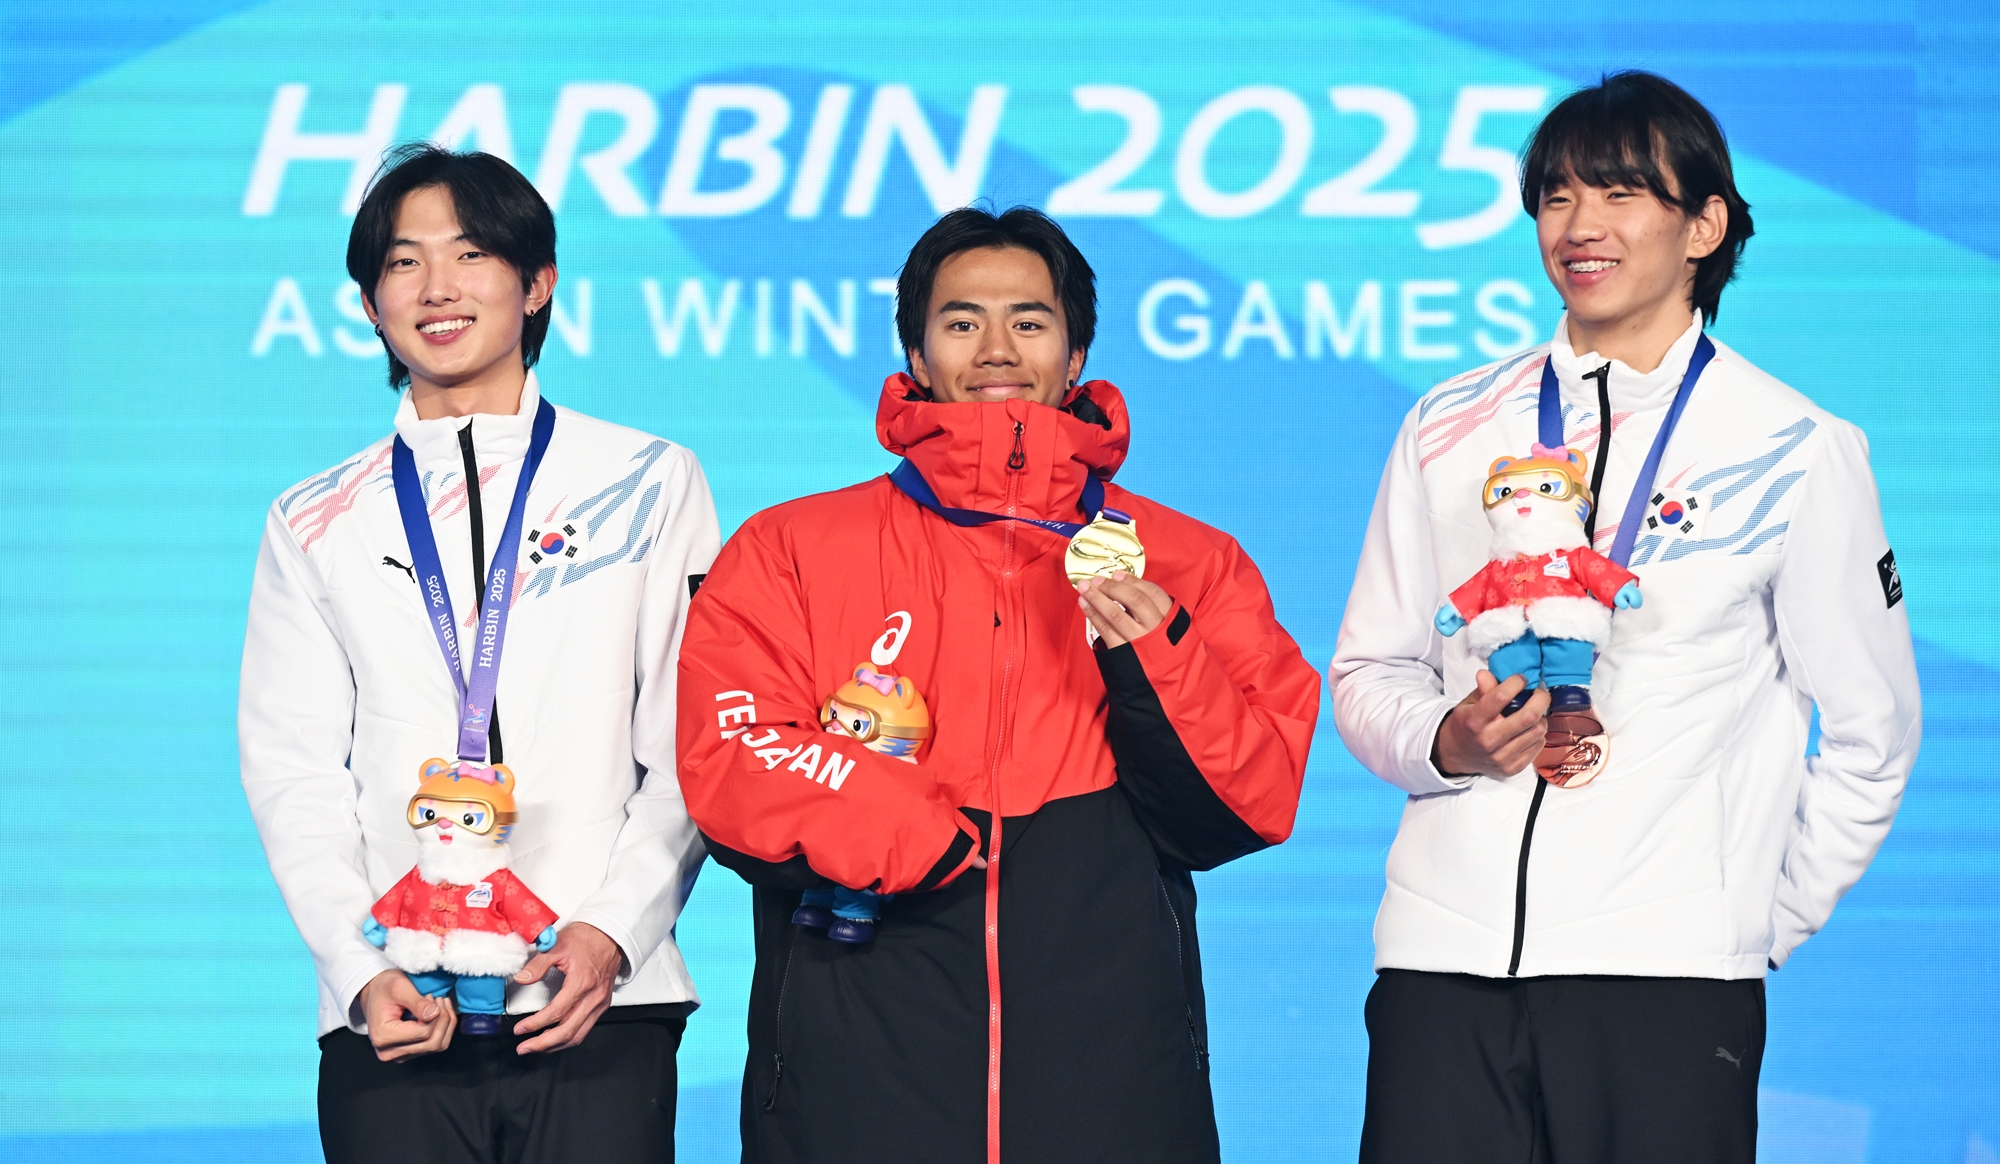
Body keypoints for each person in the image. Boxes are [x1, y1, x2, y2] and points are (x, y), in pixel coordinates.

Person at [1329, 71, 1920, 1161]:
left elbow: (1870, 730)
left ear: (1702, 226)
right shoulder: (1447, 423)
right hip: (1439, 969)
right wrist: (1441, 743)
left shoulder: (1792, 444)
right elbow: (1368, 670)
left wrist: (1745, 925)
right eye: (1555, 197)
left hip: (1668, 984)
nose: (1579, 227)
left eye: (1618, 195)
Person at [676, 206, 1320, 1163]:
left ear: (1076, 352)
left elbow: (1249, 801)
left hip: (1114, 1076)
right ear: (916, 351)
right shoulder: (791, 547)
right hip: (856, 1063)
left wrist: (1154, 654)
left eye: (1029, 319)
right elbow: (729, 753)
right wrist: (907, 829)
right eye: (960, 319)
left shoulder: (1190, 558)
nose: (994, 346)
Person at [238, 144, 719, 1163]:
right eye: (404, 262)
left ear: (536, 283)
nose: (438, 288)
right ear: (370, 303)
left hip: (599, 1002)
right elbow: (292, 768)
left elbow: (689, 743)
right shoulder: (313, 516)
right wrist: (353, 965)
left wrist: (613, 933)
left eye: (470, 254)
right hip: (396, 1005)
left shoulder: (648, 478)